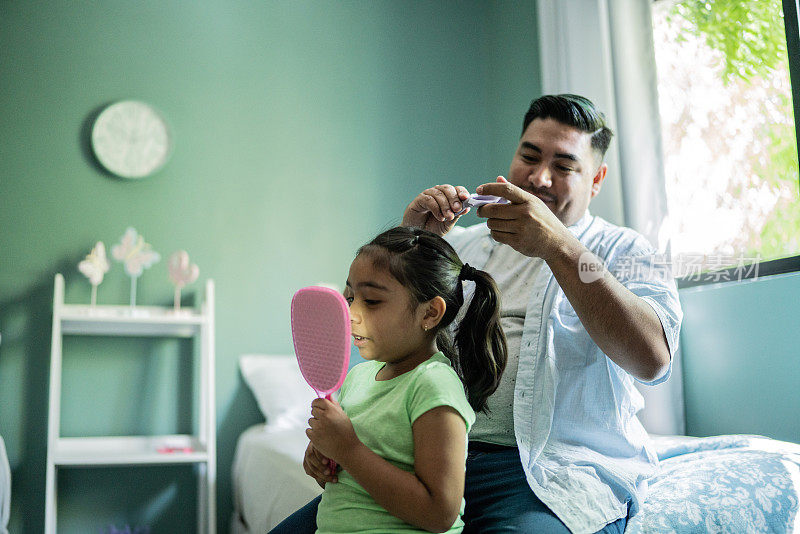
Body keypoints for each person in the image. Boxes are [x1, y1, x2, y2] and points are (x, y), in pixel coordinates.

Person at [275, 94, 683, 534]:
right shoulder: (462, 248)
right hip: (426, 456)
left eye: (564, 166)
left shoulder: (628, 252)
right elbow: (376, 329)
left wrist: (557, 245)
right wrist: (411, 241)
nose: (540, 177)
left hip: (546, 473)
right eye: (529, 156)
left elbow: (654, 359)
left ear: (597, 179)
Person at [272, 226, 508, 534]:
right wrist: (324, 460)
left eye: (370, 301)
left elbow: (440, 514)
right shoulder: (358, 378)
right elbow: (350, 481)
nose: (351, 313)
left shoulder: (433, 385)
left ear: (430, 313)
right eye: (350, 296)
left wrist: (349, 450)